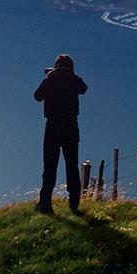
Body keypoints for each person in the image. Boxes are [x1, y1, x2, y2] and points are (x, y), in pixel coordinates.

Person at [33, 53, 89, 213]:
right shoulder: (74, 80)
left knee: (50, 166)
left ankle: (45, 204)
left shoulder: (50, 79)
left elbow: (37, 96)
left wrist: (51, 75)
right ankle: (74, 203)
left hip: (53, 126)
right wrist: (68, 75)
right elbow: (84, 88)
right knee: (72, 164)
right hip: (71, 125)